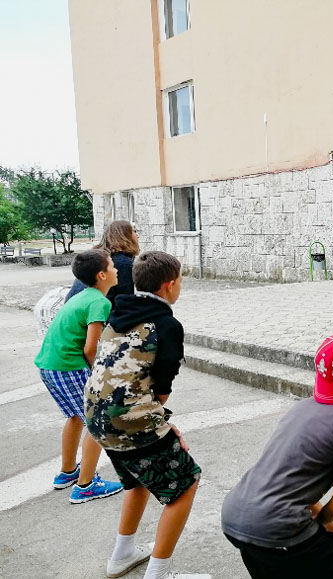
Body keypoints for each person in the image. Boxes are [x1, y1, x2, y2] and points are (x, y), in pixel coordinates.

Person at [84, 251, 208, 579]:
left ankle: (122, 555)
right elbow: (161, 389)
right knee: (185, 484)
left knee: (137, 480)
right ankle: (158, 574)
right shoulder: (166, 325)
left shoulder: (118, 310)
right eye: (180, 281)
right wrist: (160, 424)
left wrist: (162, 422)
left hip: (96, 415)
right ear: (169, 286)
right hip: (129, 419)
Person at [221, 331, 333, 579]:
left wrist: (332, 529)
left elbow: (292, 478)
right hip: (277, 528)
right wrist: (324, 525)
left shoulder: (300, 409)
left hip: (235, 516)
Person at [34, 249, 124, 503]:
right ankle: (85, 485)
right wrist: (100, 374)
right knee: (97, 423)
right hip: (67, 366)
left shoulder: (83, 295)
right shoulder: (100, 302)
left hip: (49, 365)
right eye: (113, 267)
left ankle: (68, 471)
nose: (118, 270)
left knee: (76, 417)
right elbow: (90, 348)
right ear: (102, 275)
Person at [65, 220, 140, 309]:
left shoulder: (96, 256)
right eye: (134, 231)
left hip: (72, 307)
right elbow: (125, 300)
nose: (137, 235)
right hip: (91, 314)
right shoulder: (123, 262)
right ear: (125, 236)